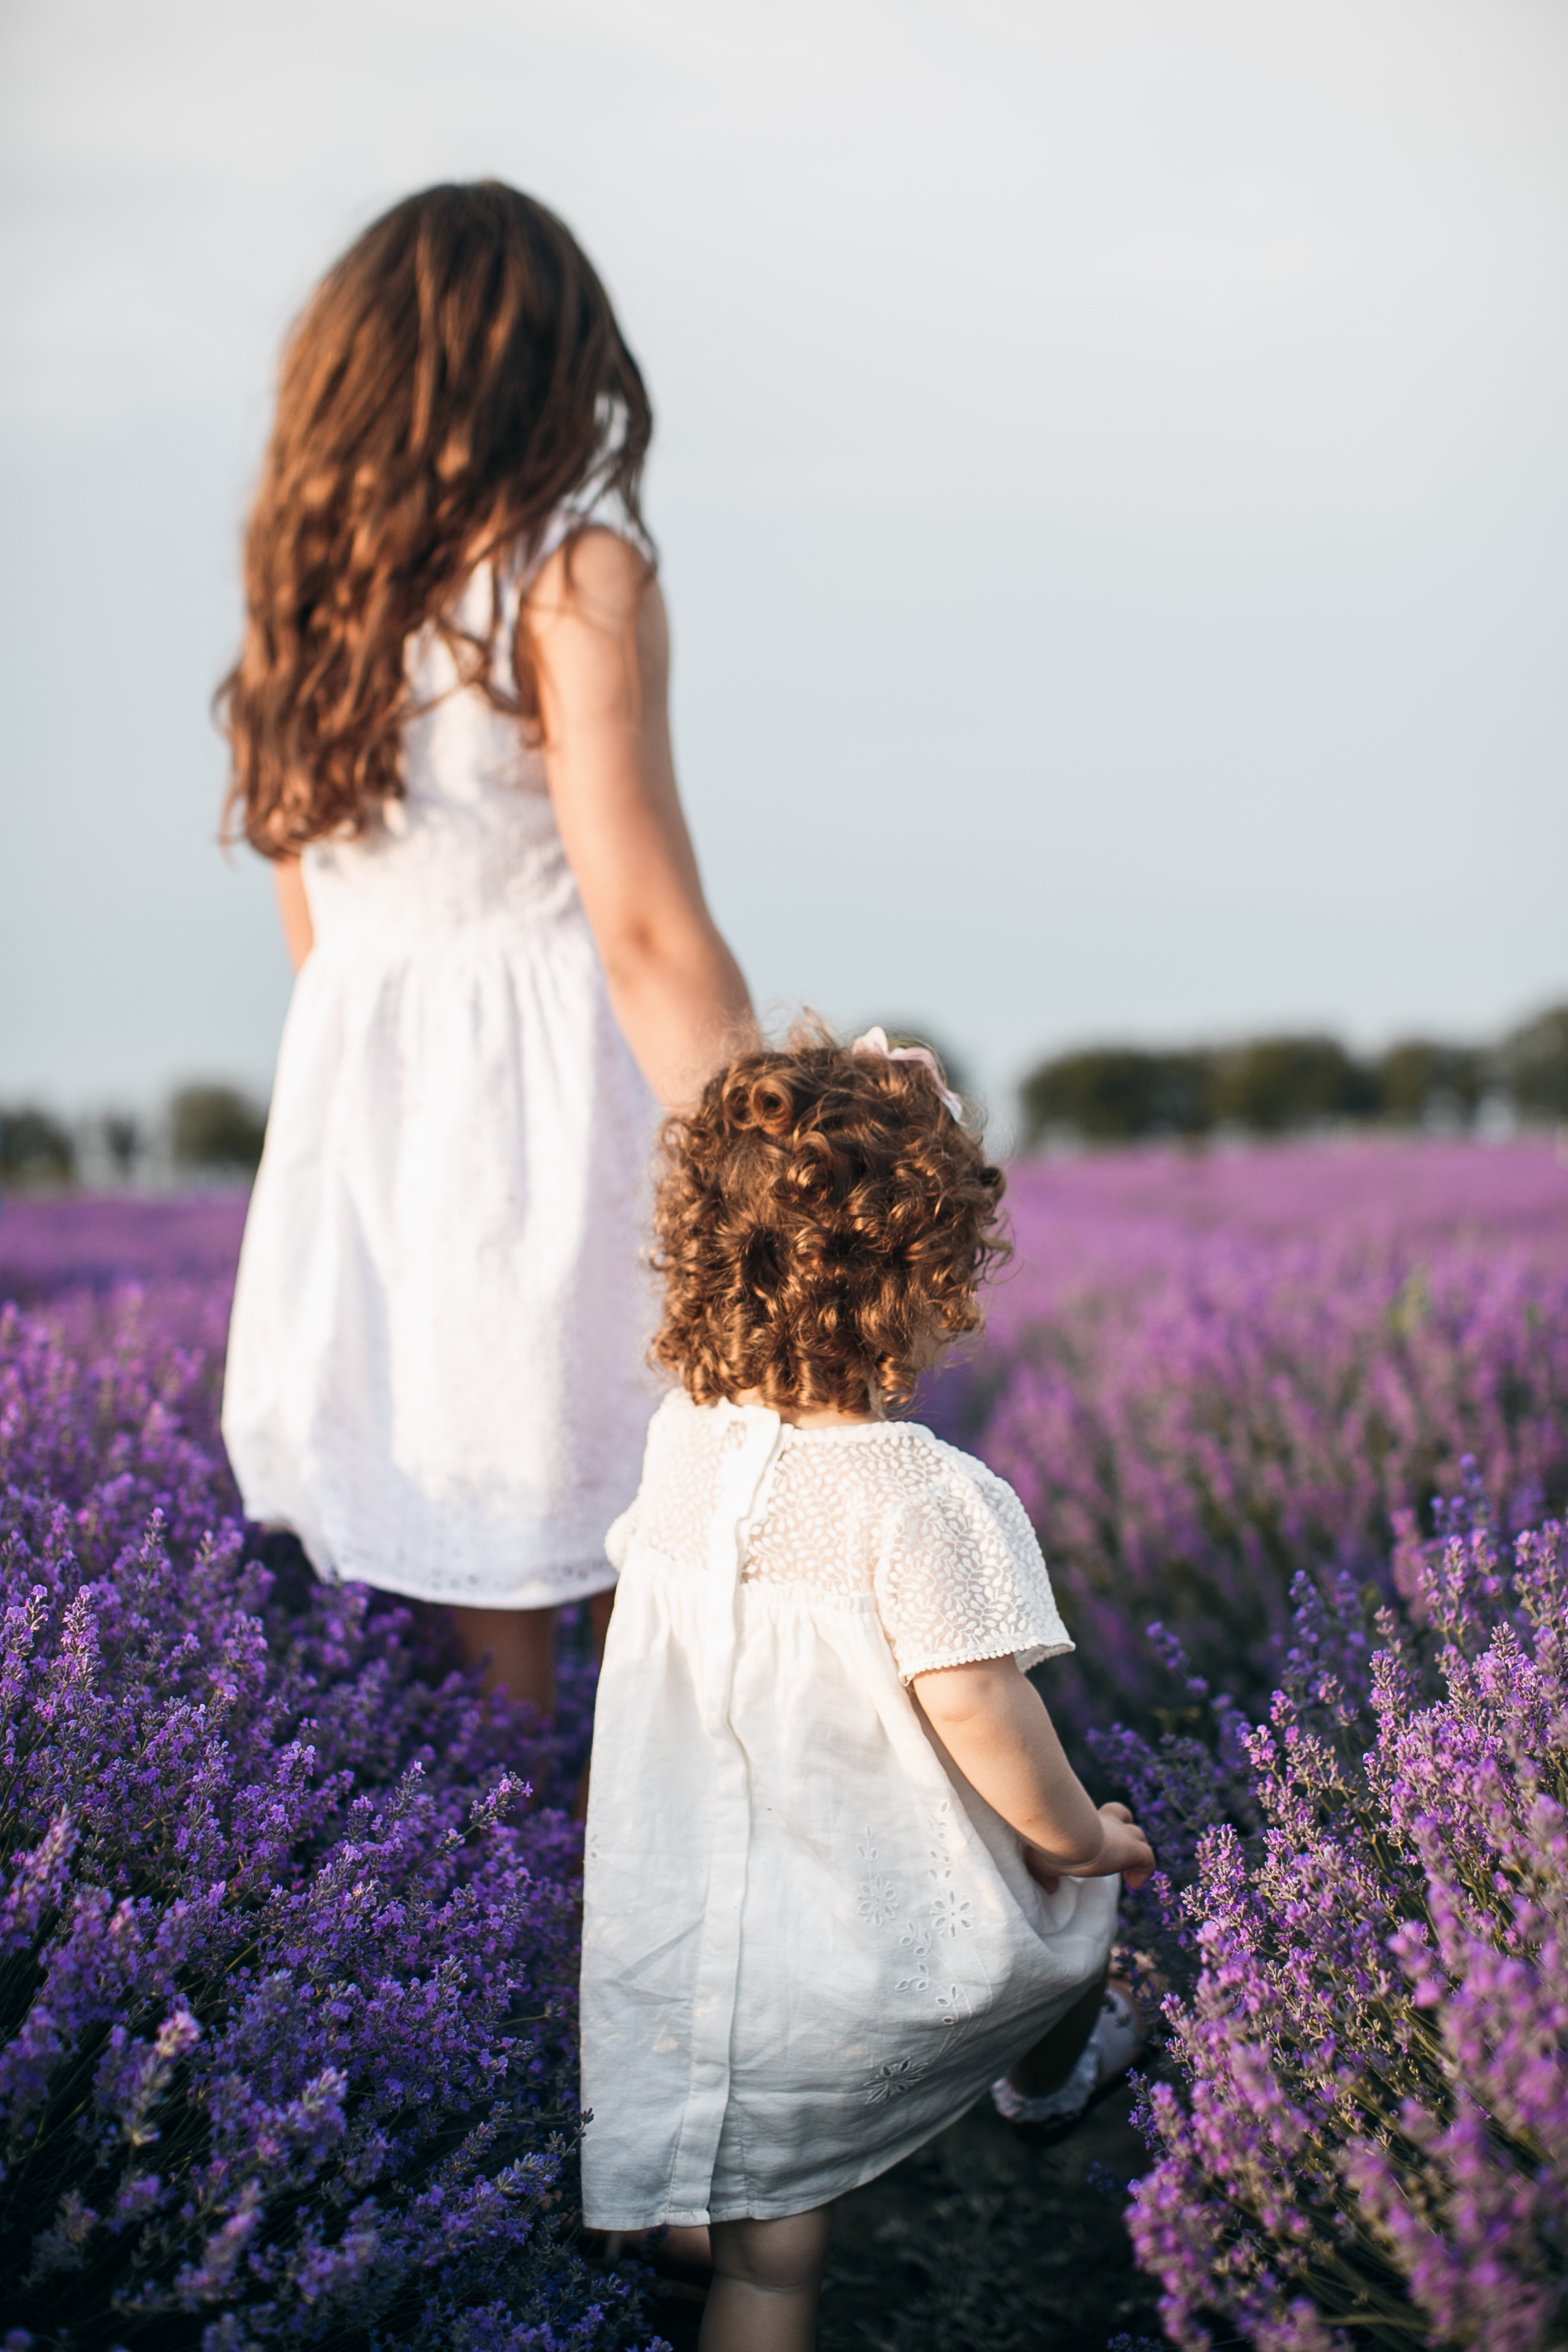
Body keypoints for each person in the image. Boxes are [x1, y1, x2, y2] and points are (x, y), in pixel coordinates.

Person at [219, 183, 749, 1713]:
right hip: (548, 1122)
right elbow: (643, 924)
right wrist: (764, 1164)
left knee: (465, 1573)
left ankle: (490, 1919)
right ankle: (626, 1937)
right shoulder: (570, 575)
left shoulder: (305, 609)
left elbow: (311, 922)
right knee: (638, 1582)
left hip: (369, 1132)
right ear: (548, 370)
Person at [579, 1025, 1156, 2352]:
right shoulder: (922, 1498)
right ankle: (1047, 2078)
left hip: (672, 1936)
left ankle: (667, 2235)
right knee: (775, 2271)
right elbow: (977, 1710)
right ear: (928, 1277)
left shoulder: (682, 1447)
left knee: (710, 2170)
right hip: (813, 1969)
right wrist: (1077, 1841)